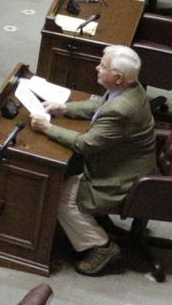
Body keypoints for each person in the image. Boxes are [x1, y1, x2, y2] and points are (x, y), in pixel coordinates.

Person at [29, 43, 156, 276]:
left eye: (103, 66)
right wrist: (64, 108)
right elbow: (99, 105)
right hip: (120, 161)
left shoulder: (122, 109)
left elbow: (86, 145)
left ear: (118, 78)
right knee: (62, 170)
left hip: (120, 178)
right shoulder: (130, 87)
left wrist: (47, 128)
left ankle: (102, 248)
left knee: (58, 198)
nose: (97, 67)